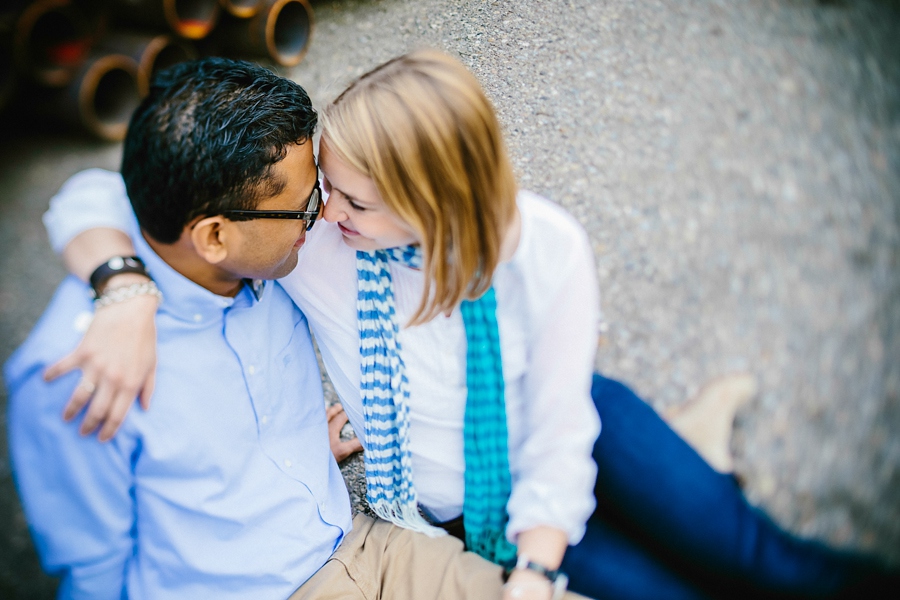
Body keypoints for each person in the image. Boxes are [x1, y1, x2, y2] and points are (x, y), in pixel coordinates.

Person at [40, 51, 895, 599]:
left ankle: (700, 463)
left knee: (757, 561)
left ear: (430, 204)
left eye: (352, 199)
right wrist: (122, 287)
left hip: (574, 441)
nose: (324, 211)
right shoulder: (309, 244)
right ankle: (702, 456)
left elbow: (562, 429)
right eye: (321, 191)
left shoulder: (543, 247)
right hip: (467, 506)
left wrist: (540, 555)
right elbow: (125, 191)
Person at [5, 57, 584, 600]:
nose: (326, 217)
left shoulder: (266, 259)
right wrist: (123, 294)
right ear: (213, 237)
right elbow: (94, 575)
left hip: (370, 546)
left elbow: (96, 191)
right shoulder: (79, 374)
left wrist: (283, 461)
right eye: (309, 205)